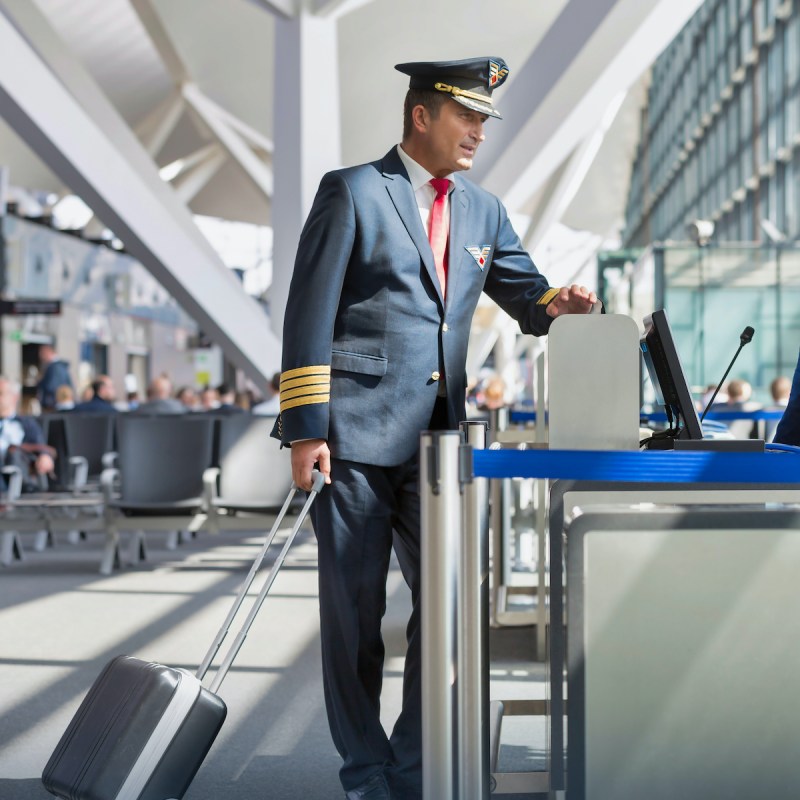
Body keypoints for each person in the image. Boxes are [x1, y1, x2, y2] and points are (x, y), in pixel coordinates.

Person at [271, 57, 595, 800]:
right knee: (353, 620)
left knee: (448, 610)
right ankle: (366, 772)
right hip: (350, 443)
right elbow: (307, 312)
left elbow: (529, 298)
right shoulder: (353, 191)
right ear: (423, 115)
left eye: (484, 120)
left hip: (440, 447)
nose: (479, 131)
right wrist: (304, 430)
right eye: (467, 116)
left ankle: (412, 766)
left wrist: (562, 306)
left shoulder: (483, 210)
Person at [0, 376, 55, 491]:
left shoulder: (26, 424)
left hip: (16, 477)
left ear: (14, 397)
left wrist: (44, 456)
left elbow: (41, 446)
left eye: (1, 393)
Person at [36, 344, 73, 412]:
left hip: (53, 406)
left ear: (48, 352)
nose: (40, 356)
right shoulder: (61, 366)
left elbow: (52, 387)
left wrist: (41, 382)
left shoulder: (55, 367)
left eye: (42, 353)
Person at [765, 375, 791, 442]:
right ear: (790, 392)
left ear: (771, 393)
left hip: (766, 450)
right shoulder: (793, 413)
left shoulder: (763, 413)